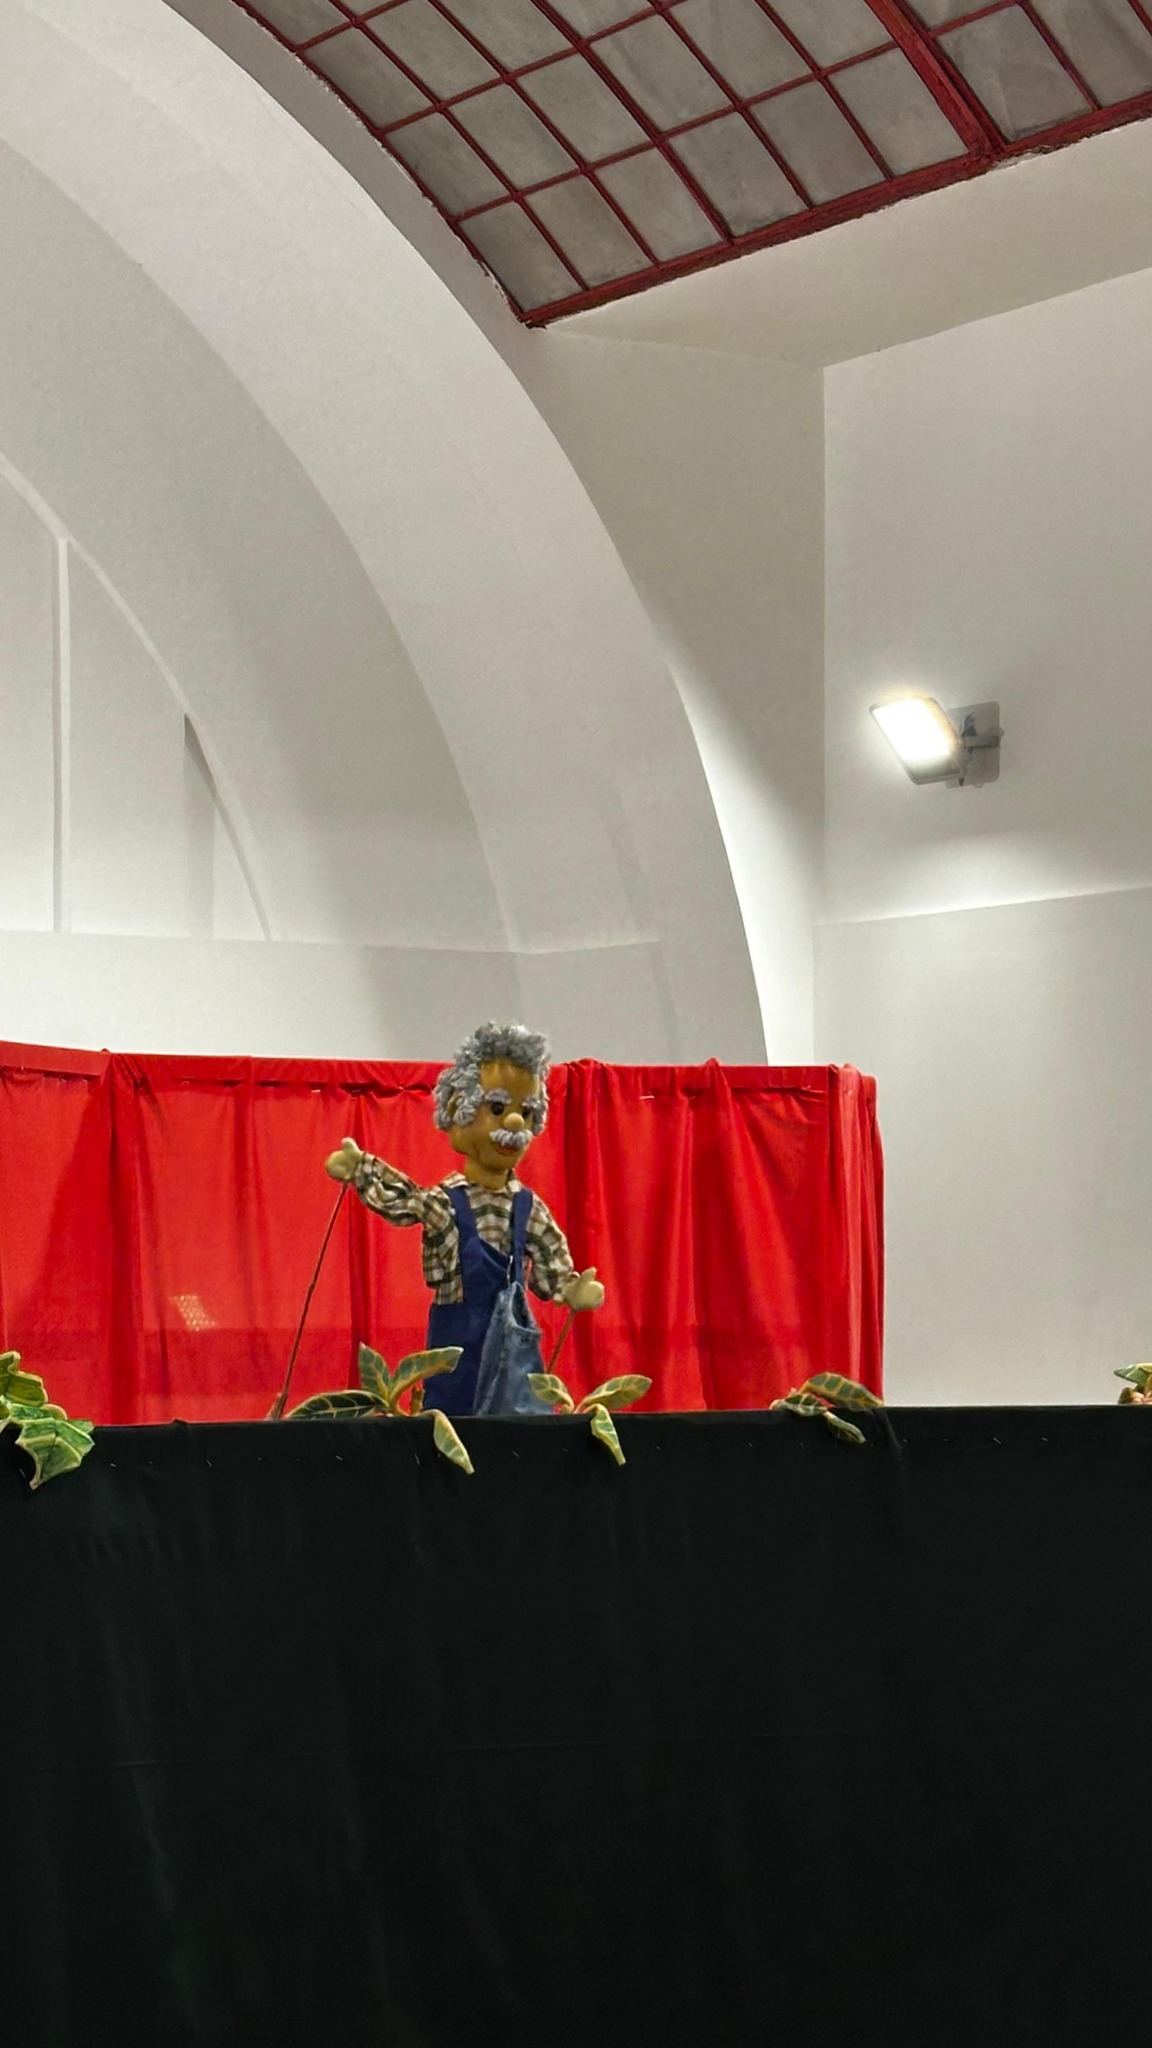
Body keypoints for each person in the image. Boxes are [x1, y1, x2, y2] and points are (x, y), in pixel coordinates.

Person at [325, 1023, 604, 1415]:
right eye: (497, 1109)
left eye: (525, 1112)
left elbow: (549, 1263)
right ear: (461, 1109)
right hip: (457, 1353)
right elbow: (407, 1202)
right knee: (454, 1420)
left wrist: (570, 1289)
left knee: (514, 1426)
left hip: (511, 1358)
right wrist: (363, 1171)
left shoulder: (527, 1207)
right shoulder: (448, 1204)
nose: (514, 1123)